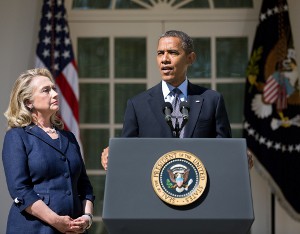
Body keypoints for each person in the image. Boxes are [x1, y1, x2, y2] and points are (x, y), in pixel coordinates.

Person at [101, 30, 253, 169]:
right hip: (153, 193)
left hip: (201, 192)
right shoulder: (137, 104)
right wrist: (113, 153)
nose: (165, 59)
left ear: (190, 58)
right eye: (160, 53)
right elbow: (128, 152)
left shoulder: (212, 100)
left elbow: (223, 150)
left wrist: (238, 155)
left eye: (172, 52)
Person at [2, 68, 95, 233]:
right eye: (46, 90)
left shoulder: (69, 137)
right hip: (33, 229)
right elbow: (19, 189)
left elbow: (84, 186)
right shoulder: (17, 136)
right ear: (28, 102)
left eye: (54, 88)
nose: (55, 94)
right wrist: (56, 221)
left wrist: (87, 218)